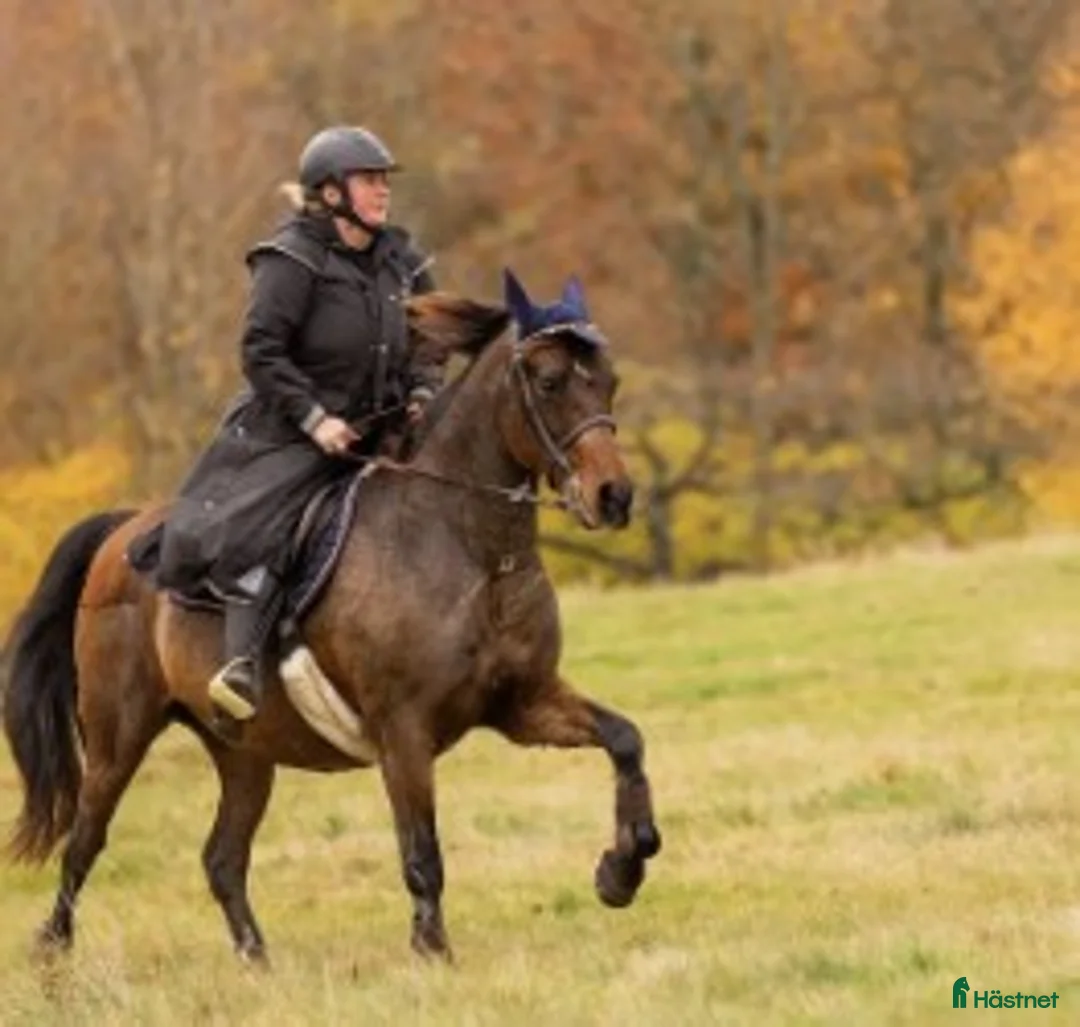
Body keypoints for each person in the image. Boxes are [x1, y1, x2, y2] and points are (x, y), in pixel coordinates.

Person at [153, 125, 442, 724]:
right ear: (331, 193)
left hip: (383, 423)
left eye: (385, 180)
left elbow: (431, 340)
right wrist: (316, 419)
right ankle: (240, 665)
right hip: (288, 427)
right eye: (370, 180)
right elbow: (261, 353)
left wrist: (421, 391)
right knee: (264, 527)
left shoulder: (403, 261)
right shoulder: (291, 259)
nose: (383, 191)